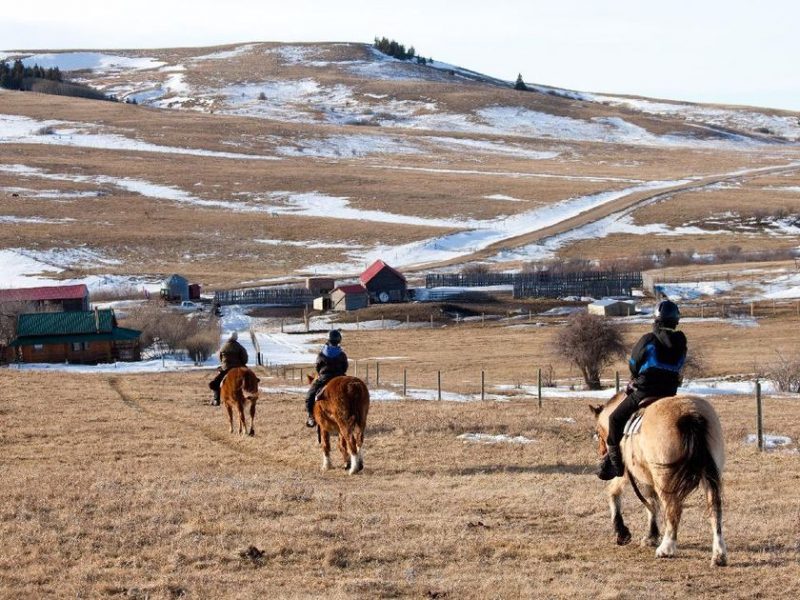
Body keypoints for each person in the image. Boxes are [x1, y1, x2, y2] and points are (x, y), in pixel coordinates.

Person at [597, 299, 687, 480]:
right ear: (675, 320)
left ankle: (616, 466)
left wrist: (636, 376)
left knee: (615, 419)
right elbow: (680, 363)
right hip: (670, 393)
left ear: (656, 319)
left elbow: (633, 363)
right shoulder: (681, 340)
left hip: (645, 391)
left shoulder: (648, 340)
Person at [305, 329, 348, 427]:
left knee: (309, 397)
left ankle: (311, 417)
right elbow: (345, 367)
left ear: (328, 340)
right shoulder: (342, 354)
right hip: (340, 378)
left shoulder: (322, 354)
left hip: (324, 379)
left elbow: (317, 367)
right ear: (339, 340)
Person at [208, 331, 248, 406]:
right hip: (238, 368)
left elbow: (220, 358)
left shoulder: (223, 347)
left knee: (215, 383)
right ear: (236, 338)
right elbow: (245, 359)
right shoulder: (240, 347)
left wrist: (224, 365)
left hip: (225, 369)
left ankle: (216, 399)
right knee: (250, 379)